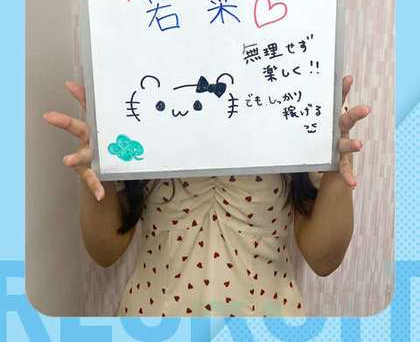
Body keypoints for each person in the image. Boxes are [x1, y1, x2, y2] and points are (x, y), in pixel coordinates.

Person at [43, 74, 370, 317]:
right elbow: (105, 252)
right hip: (152, 320)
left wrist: (337, 171)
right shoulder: (136, 77)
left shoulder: (301, 77)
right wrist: (94, 171)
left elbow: (324, 260)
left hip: (267, 321)